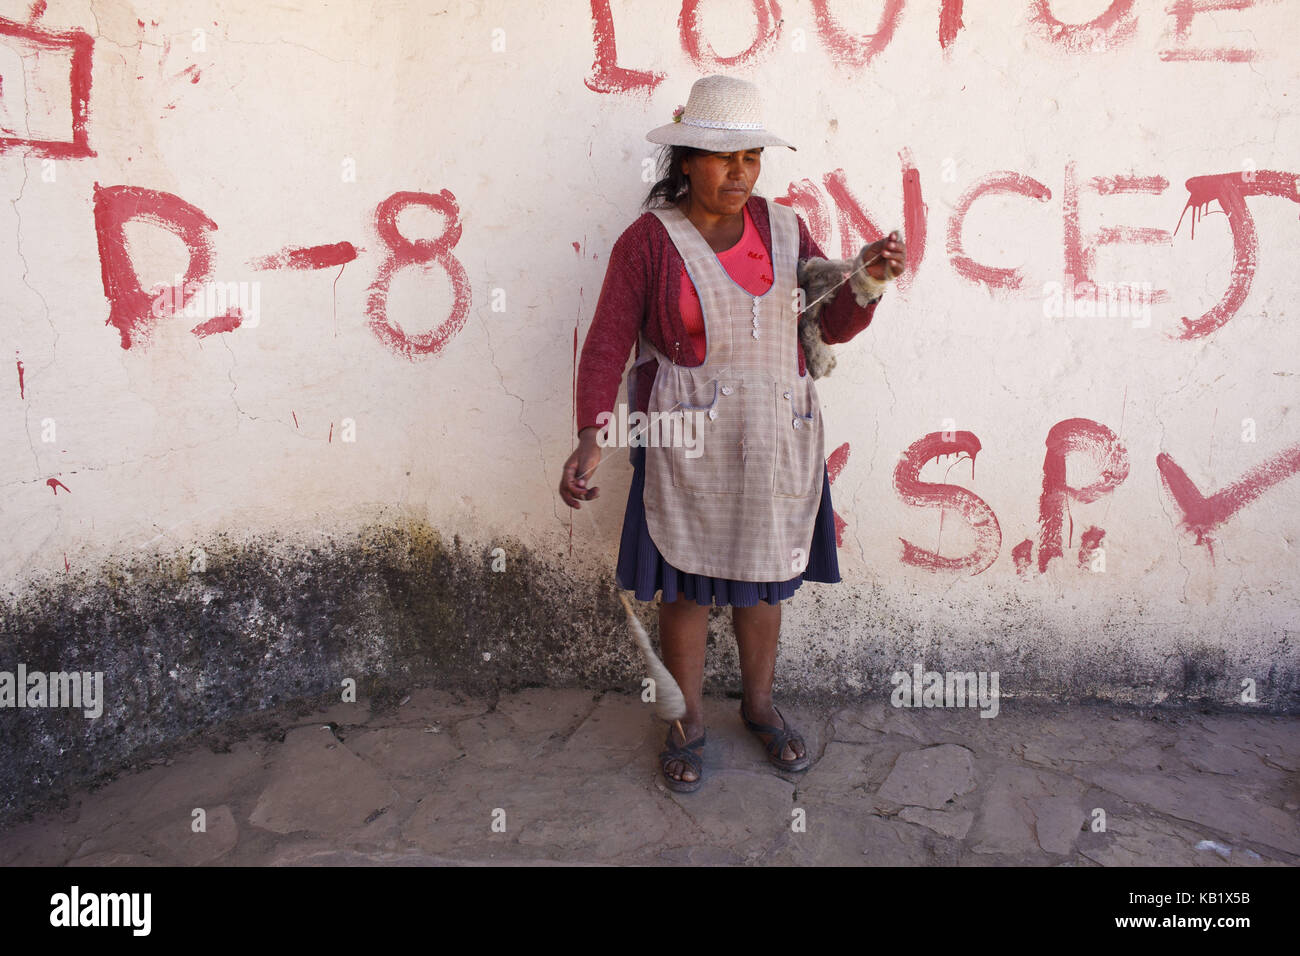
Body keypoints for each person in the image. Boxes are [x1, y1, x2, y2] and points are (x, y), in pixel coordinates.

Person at [558, 74, 905, 792]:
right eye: (722, 157)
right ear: (686, 158)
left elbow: (826, 323)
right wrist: (592, 435)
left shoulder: (786, 229)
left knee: (763, 585)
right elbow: (607, 343)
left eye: (751, 156)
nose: (740, 172)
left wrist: (864, 279)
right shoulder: (648, 244)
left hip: (776, 434)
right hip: (685, 443)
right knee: (685, 590)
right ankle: (686, 723)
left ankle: (759, 706)